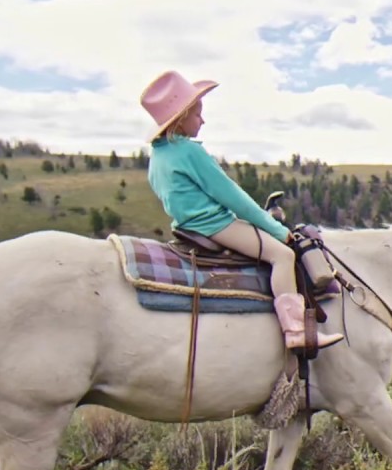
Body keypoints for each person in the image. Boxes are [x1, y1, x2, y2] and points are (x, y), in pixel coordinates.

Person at [139, 70, 343, 350]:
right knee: (282, 256)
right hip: (214, 225)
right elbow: (232, 197)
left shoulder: (158, 156)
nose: (203, 119)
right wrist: (276, 230)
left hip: (187, 226)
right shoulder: (189, 152)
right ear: (181, 117)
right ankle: (295, 330)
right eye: (198, 113)